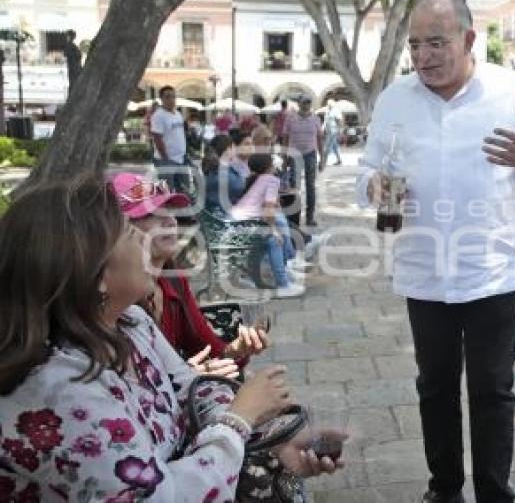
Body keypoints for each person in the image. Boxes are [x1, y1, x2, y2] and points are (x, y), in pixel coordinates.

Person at [0, 177, 340, 500]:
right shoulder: (59, 386)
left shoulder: (129, 321)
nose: (146, 237)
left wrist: (270, 439)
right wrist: (239, 420)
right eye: (129, 231)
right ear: (96, 272)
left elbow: (191, 388)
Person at [357, 0, 515, 503]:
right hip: (424, 271)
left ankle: (495, 492)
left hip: (491, 272)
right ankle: (444, 488)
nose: (423, 55)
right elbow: (366, 170)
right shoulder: (395, 100)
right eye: (415, 44)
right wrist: (374, 186)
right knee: (435, 389)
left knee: (493, 392)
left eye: (436, 42)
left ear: (469, 40)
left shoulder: (511, 92)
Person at [110, 172, 269, 378]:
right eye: (150, 214)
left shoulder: (173, 280)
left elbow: (206, 349)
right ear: (115, 233)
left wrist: (237, 350)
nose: (170, 220)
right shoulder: (116, 303)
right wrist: (187, 379)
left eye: (169, 209)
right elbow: (132, 393)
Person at [234, 153, 305, 297]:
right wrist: (274, 231)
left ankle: (284, 270)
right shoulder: (271, 180)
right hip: (246, 227)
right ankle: (283, 284)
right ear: (269, 167)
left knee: (278, 227)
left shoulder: (255, 179)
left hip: (238, 226)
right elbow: (268, 211)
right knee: (274, 240)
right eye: (273, 164)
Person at [280, 94, 323, 226]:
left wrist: (322, 158)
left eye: (309, 102)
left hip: (310, 154)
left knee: (310, 187)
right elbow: (285, 138)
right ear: (299, 103)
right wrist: (284, 157)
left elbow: (320, 139)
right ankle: (294, 218)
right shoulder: (290, 119)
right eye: (304, 102)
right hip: (294, 155)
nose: (306, 105)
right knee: (294, 187)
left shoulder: (316, 119)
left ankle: (310, 217)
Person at [151, 85, 192, 195]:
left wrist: (185, 153)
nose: (171, 100)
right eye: (168, 97)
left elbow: (180, 135)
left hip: (181, 159)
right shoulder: (158, 116)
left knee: (185, 190)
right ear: (161, 99)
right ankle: (169, 211)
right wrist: (165, 159)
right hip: (166, 160)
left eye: (173, 97)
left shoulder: (178, 114)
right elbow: (157, 139)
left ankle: (184, 211)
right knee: (167, 193)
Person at [320, 99, 343, 170]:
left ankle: (323, 162)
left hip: (334, 131)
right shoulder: (327, 111)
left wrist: (340, 130)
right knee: (335, 147)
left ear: (332, 104)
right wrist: (322, 128)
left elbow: (340, 121)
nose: (328, 105)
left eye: (329, 104)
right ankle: (339, 160)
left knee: (327, 146)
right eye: (328, 104)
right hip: (328, 131)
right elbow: (325, 121)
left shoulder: (336, 111)